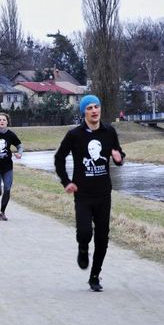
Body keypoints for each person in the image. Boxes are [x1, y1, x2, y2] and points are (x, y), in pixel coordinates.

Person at [54, 95, 125, 292]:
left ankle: (94, 276)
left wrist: (119, 159)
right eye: (90, 108)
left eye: (97, 107)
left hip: (103, 194)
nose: (94, 111)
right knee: (85, 232)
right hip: (83, 194)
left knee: (102, 238)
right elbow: (59, 158)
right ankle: (83, 248)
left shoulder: (109, 132)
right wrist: (66, 182)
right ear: (84, 112)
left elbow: (118, 153)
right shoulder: (75, 135)